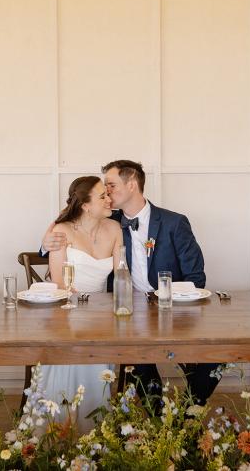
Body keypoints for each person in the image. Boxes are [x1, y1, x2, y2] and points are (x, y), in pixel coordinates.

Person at [42, 160, 221, 406]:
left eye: (111, 186)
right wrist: (46, 243)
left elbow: (196, 277)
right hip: (125, 311)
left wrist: (175, 308)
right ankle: (160, 421)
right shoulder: (109, 219)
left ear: (132, 185)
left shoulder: (174, 223)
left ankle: (190, 409)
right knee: (136, 352)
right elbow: (73, 224)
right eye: (104, 190)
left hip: (170, 309)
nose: (107, 194)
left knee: (218, 353)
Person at [42, 175, 122, 432]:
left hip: (102, 316)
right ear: (86, 205)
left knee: (102, 341)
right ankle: (62, 430)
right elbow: (59, 284)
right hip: (67, 313)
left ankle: (96, 432)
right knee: (75, 343)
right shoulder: (62, 231)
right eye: (102, 196)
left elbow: (122, 274)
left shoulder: (114, 229)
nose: (109, 198)